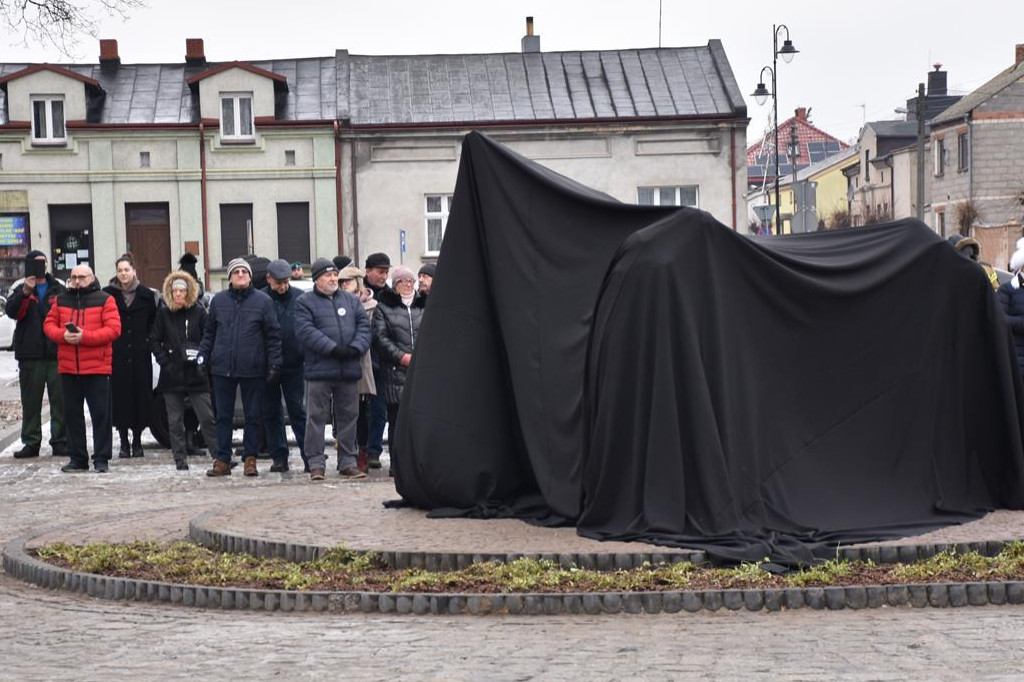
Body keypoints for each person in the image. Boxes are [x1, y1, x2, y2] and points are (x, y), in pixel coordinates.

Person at [199, 257, 282, 478]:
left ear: (249, 276)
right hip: (222, 368)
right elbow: (209, 333)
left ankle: (250, 459)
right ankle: (222, 459)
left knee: (253, 416)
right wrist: (203, 357)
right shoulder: (218, 301)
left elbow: (273, 336)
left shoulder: (263, 301)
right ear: (230, 277)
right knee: (223, 416)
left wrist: (274, 363)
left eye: (244, 272)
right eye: (236, 273)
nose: (241, 276)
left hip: (253, 367)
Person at [294, 258, 371, 481]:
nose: (333, 279)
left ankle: (348, 461)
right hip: (319, 371)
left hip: (348, 369)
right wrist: (333, 349)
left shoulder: (351, 300)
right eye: (328, 275)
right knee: (316, 418)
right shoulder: (305, 302)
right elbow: (306, 331)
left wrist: (354, 348)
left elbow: (364, 327)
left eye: (335, 274)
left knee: (349, 417)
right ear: (317, 279)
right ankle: (316, 464)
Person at [43, 265, 121, 473]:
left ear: (92, 278)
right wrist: (63, 336)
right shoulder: (61, 299)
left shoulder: (105, 299)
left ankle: (101, 458)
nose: (77, 281)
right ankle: (77, 458)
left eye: (82, 277)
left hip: (97, 367)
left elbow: (113, 330)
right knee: (72, 416)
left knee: (101, 416)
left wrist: (84, 337)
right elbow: (49, 325)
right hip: (68, 368)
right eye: (74, 277)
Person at [150, 270, 217, 471]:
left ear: (188, 292)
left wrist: (202, 359)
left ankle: (219, 456)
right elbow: (154, 339)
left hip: (196, 373)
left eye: (182, 290)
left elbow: (209, 336)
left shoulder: (199, 311)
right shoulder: (163, 313)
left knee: (206, 417)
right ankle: (180, 459)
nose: (178, 294)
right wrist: (164, 361)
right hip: (172, 374)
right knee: (174, 420)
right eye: (175, 291)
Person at [5, 250, 67, 459]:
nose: (41, 267)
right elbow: (13, 312)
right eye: (37, 264)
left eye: (44, 263)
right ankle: (31, 442)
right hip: (30, 355)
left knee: (60, 401)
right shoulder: (19, 287)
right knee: (30, 402)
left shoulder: (58, 286)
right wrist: (25, 291)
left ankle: (60, 441)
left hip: (55, 353)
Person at [372, 265, 426, 477]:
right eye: (403, 281)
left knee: (419, 421)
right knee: (396, 422)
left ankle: (418, 463)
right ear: (395, 285)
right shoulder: (384, 307)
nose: (408, 285)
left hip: (421, 370)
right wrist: (401, 357)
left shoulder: (423, 305)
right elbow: (380, 338)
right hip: (395, 371)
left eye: (410, 281)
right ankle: (397, 464)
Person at [104, 254, 158, 458]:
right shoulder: (108, 294)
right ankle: (124, 442)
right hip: (117, 355)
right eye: (120, 270)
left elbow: (154, 322)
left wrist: (148, 342)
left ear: (134, 271)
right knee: (120, 398)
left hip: (139, 355)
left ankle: (137, 440)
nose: (123, 273)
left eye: (127, 270)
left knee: (140, 396)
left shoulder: (146, 295)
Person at [263, 259, 308, 473]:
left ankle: (309, 456)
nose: (283, 286)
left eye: (286, 281)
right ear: (269, 279)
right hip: (268, 365)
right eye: (278, 282)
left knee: (298, 411)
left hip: (294, 364)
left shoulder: (300, 297)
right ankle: (279, 457)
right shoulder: (261, 298)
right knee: (271, 413)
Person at [339, 264, 377, 472]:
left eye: (348, 281)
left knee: (362, 413)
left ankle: (362, 452)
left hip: (363, 363)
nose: (344, 285)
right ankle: (346, 455)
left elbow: (370, 334)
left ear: (358, 282)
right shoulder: (336, 303)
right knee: (343, 414)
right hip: (340, 363)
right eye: (342, 282)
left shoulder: (371, 305)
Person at [362, 252, 392, 469]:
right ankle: (360, 451)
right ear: (368, 271)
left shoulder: (390, 296)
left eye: (386, 272)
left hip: (382, 361)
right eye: (380, 272)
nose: (384, 276)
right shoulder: (358, 293)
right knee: (360, 412)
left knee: (380, 410)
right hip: (362, 360)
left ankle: (373, 451)